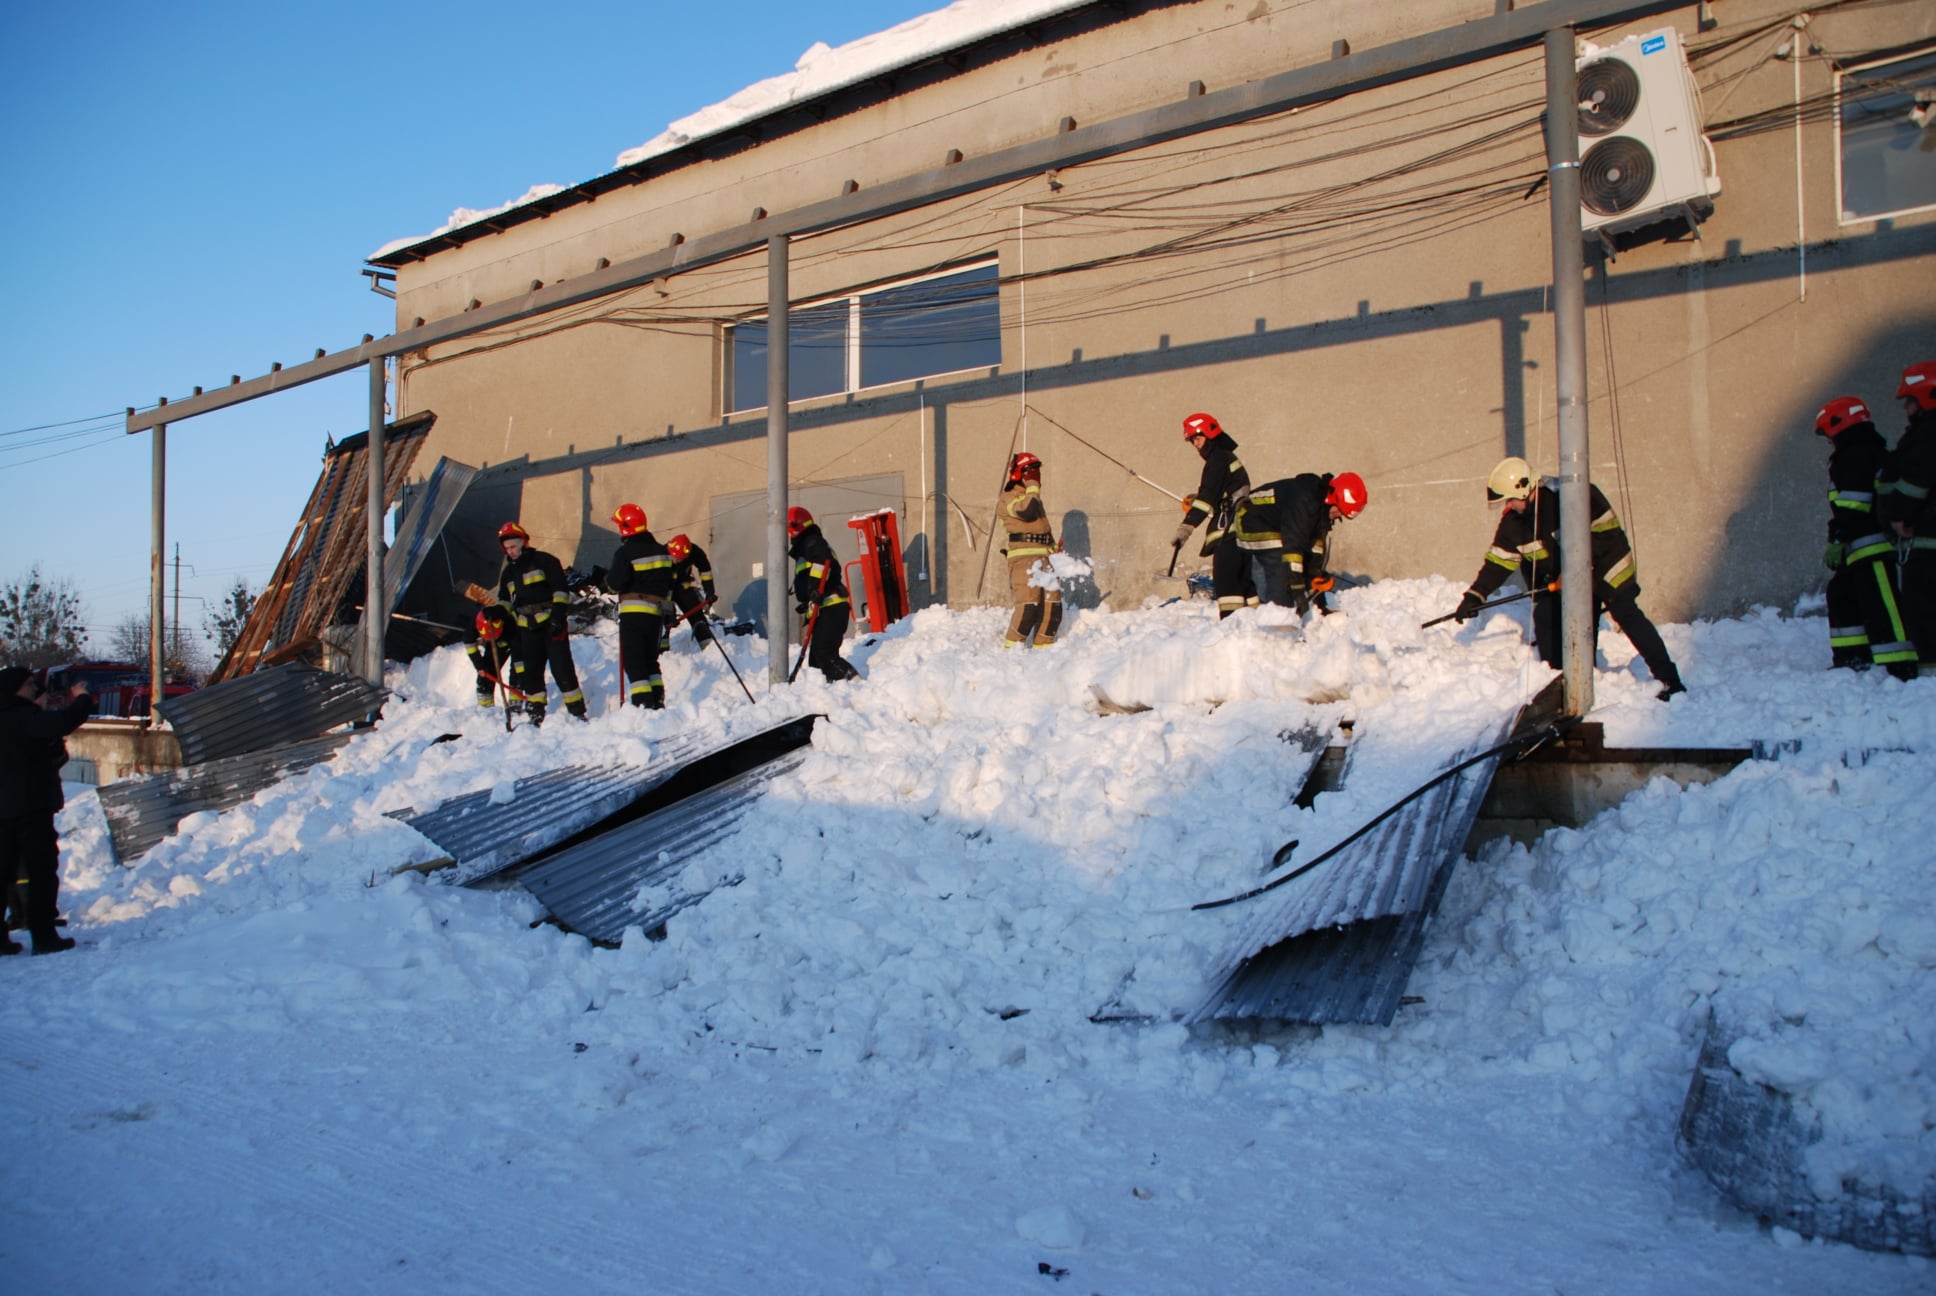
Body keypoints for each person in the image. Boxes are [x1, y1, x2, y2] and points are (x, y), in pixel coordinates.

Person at [1452, 457, 1686, 700]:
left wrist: (1575, 570)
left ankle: (1670, 680)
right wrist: (1475, 595)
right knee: (1546, 615)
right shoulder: (1514, 523)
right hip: (1566, 580)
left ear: (1525, 489)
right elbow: (1499, 562)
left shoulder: (1570, 496)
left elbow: (1605, 536)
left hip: (1608, 567)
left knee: (1625, 611)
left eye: (1510, 499)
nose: (1508, 505)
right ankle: (1561, 684)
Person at [1813, 396, 1916, 679]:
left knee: (1882, 600)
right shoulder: (1870, 451)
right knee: (1842, 595)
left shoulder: (1853, 455)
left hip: (1870, 543)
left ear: (1839, 425)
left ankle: (1901, 662)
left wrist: (1838, 537)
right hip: (1859, 544)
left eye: (1829, 434)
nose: (1829, 442)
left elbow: (1853, 504)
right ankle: (1853, 657)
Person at [0, 666, 93, 955]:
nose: (35, 690)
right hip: (30, 808)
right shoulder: (21, 717)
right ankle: (44, 936)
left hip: (5, 811)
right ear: (15, 689)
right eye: (30, 685)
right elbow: (62, 722)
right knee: (41, 872)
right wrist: (83, 699)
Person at [1232, 472, 1368, 613]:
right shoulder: (1304, 500)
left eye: (1342, 515)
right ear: (1331, 498)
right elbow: (1292, 546)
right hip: (1251, 520)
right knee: (1281, 567)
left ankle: (1304, 613)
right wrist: (1297, 588)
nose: (1338, 515)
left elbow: (1314, 554)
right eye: (1339, 510)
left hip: (1277, 526)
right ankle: (1279, 621)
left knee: (1298, 566)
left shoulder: (1321, 512)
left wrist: (1318, 580)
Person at [493, 521, 588, 723]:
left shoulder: (545, 561)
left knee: (562, 668)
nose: (510, 552)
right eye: (507, 548)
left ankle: (577, 711)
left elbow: (561, 591)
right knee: (531, 672)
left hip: (551, 623)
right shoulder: (508, 573)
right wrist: (496, 612)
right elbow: (505, 600)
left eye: (513, 546)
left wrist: (557, 616)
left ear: (524, 542)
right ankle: (536, 712)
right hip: (527, 627)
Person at [1880, 358, 1936, 674]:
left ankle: (1930, 676)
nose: (1906, 408)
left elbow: (1916, 479)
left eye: (1910, 401)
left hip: (1928, 537)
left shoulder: (1928, 433)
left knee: (1924, 606)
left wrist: (1897, 514)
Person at [1174, 412, 1256, 618]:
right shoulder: (1225, 456)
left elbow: (1207, 497)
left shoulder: (1217, 459)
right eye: (1192, 440)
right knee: (1243, 580)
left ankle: (1231, 623)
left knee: (1226, 578)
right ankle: (1255, 619)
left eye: (1197, 438)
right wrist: (1199, 500)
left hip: (1228, 529)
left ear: (1210, 434)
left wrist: (1187, 526)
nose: (1195, 444)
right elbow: (1221, 490)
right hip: (1242, 528)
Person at [607, 503, 675, 709]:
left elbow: (615, 583)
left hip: (634, 614)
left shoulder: (625, 552)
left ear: (626, 527)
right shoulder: (663, 552)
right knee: (650, 660)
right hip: (656, 615)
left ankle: (643, 704)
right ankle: (658, 699)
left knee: (634, 661)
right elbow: (670, 584)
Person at [787, 506, 862, 681]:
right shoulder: (808, 545)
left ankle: (856, 684)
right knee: (816, 663)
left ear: (795, 527)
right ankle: (828, 695)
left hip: (831, 606)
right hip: (824, 608)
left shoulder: (812, 542)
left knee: (825, 653)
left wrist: (813, 589)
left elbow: (822, 562)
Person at [998, 451, 1064, 648]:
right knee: (1029, 608)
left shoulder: (1032, 497)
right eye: (1030, 471)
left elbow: (1042, 526)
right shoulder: (1008, 498)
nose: (1035, 475)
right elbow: (1027, 512)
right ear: (1019, 473)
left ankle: (1043, 652)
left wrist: (1053, 548)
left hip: (1045, 559)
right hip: (1024, 561)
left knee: (1053, 609)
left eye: (1036, 471)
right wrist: (1033, 487)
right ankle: (1011, 653)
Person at [665, 534, 717, 651]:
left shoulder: (695, 552)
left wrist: (709, 592)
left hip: (682, 587)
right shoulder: (661, 554)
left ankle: (709, 647)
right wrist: (669, 611)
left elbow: (705, 571)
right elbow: (659, 586)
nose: (677, 561)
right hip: (664, 590)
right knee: (664, 621)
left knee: (696, 614)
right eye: (675, 557)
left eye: (680, 559)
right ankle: (662, 653)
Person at [466, 603, 515, 708]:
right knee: (487, 670)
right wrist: (479, 666)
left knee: (519, 669)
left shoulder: (509, 620)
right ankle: (485, 708)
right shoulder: (473, 624)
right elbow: (470, 646)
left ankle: (516, 705)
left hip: (514, 635)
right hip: (497, 641)